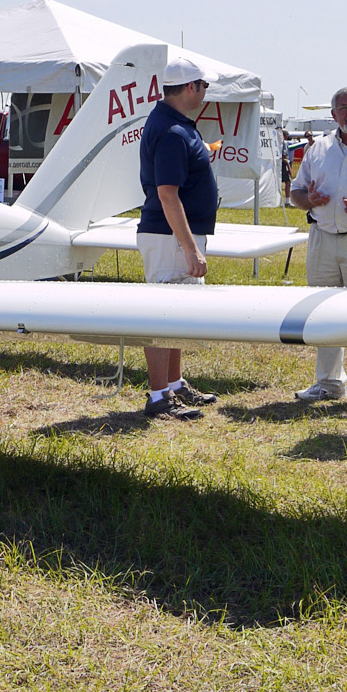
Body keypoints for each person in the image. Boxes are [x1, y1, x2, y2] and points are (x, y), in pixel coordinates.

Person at [288, 86, 347, 406]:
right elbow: (296, 193)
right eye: (343, 108)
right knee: (322, 314)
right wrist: (309, 200)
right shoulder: (318, 150)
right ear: (333, 115)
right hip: (322, 240)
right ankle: (329, 382)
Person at [137, 55, 221, 420]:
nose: (205, 92)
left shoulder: (174, 124)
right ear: (190, 88)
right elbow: (167, 194)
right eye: (204, 86)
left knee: (174, 314)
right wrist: (190, 248)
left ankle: (172, 386)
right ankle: (158, 397)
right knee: (162, 315)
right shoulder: (172, 130)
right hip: (169, 235)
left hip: (171, 233)